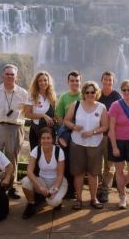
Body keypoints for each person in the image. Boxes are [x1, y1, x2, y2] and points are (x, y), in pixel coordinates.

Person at [64, 81, 109, 210]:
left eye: (92, 92)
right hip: (77, 143)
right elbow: (66, 120)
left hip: (95, 144)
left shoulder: (102, 107)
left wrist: (93, 132)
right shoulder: (76, 104)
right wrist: (74, 126)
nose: (90, 94)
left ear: (96, 93)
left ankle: (93, 199)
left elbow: (105, 126)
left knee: (93, 174)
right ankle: (78, 199)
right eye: (87, 92)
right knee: (78, 173)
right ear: (83, 93)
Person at [0, 64, 28, 199]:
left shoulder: (23, 93)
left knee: (12, 158)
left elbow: (27, 112)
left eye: (12, 74)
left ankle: (11, 187)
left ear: (17, 77)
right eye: (7, 74)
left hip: (15, 128)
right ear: (2, 76)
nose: (9, 76)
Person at [108, 79, 129, 209]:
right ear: (121, 91)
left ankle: (121, 186)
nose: (127, 92)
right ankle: (123, 197)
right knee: (119, 170)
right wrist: (114, 147)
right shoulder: (115, 105)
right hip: (119, 141)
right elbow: (111, 129)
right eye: (124, 90)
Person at [21, 127, 68, 219]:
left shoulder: (59, 151)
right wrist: (40, 186)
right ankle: (31, 204)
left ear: (53, 139)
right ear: (40, 140)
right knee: (25, 182)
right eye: (43, 138)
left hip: (58, 182)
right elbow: (29, 171)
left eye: (48, 138)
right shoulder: (36, 150)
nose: (45, 141)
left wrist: (55, 188)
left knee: (53, 202)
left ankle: (53, 199)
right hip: (42, 181)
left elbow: (60, 175)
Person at [54, 70, 82, 198]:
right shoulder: (64, 97)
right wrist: (65, 132)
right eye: (72, 80)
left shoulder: (85, 95)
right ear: (68, 82)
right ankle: (67, 189)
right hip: (67, 134)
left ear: (80, 82)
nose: (74, 83)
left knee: (77, 163)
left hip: (81, 135)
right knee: (65, 162)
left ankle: (75, 190)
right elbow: (59, 116)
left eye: (77, 80)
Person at [96, 71, 121, 203]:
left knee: (109, 165)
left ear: (113, 81)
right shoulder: (97, 95)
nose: (107, 82)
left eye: (110, 80)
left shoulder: (116, 96)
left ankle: (105, 191)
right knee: (96, 164)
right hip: (97, 134)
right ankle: (97, 189)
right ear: (101, 80)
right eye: (105, 80)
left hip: (110, 135)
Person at [24, 71, 57, 150]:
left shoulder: (52, 96)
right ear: (37, 83)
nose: (43, 83)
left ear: (48, 82)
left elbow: (54, 115)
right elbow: (27, 114)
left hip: (49, 132)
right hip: (36, 131)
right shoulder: (31, 95)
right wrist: (43, 115)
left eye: (45, 80)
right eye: (40, 81)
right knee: (36, 155)